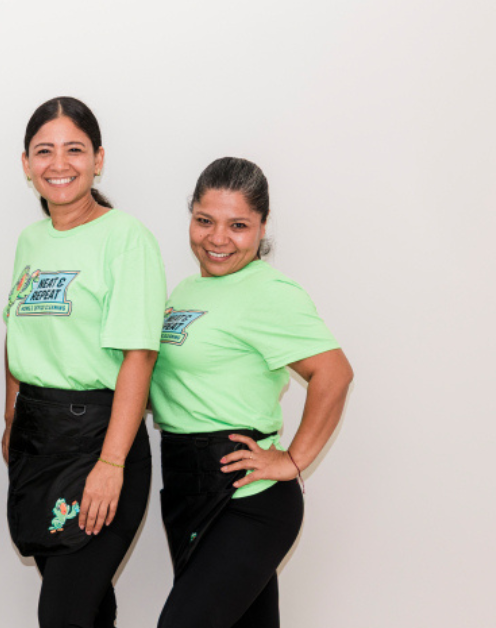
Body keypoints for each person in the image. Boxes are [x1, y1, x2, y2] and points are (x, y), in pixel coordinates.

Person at [151, 157, 354, 628]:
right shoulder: (184, 290)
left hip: (247, 500)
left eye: (237, 225)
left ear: (262, 227)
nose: (217, 238)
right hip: (186, 488)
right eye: (204, 221)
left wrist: (292, 460)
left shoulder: (270, 291)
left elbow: (335, 373)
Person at [2, 96, 167, 628]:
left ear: (98, 159)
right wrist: (11, 419)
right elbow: (16, 334)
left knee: (63, 614)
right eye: (43, 151)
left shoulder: (125, 239)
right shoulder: (31, 239)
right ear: (26, 164)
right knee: (89, 609)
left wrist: (111, 465)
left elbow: (139, 357)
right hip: (37, 439)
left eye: (74, 149)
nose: (59, 163)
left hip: (100, 442)